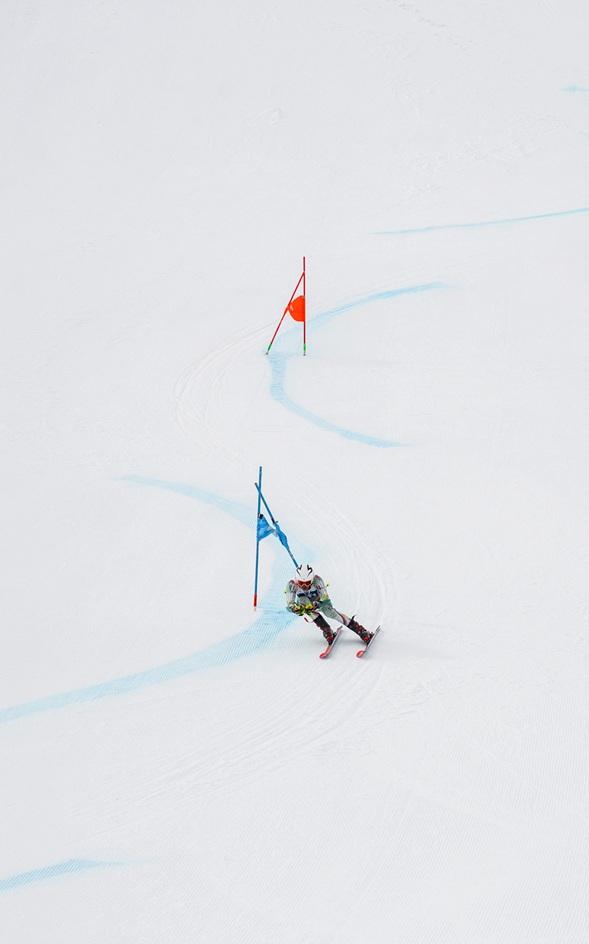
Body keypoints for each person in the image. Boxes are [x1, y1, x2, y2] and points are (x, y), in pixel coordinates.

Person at [285, 563, 373, 646]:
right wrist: (295, 608)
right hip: (304, 601)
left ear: (312, 580)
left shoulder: (317, 581)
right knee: (307, 608)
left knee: (330, 612)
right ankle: (327, 630)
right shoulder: (291, 585)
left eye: (307, 583)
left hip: (318, 599)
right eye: (301, 583)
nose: (304, 586)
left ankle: (361, 630)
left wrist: (318, 604)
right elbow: (289, 606)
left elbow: (327, 602)